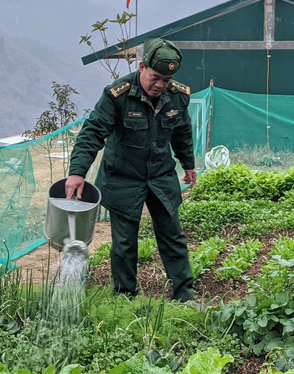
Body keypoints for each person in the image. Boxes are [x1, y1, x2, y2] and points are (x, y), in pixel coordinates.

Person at [66, 38, 197, 302]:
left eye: (167, 79)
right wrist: (77, 171)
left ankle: (185, 294)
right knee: (124, 244)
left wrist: (188, 164)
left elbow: (181, 131)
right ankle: (125, 296)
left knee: (173, 236)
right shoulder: (118, 94)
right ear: (141, 67)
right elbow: (92, 133)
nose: (161, 85)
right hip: (122, 178)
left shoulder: (178, 96)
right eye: (156, 77)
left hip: (160, 176)